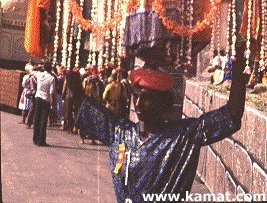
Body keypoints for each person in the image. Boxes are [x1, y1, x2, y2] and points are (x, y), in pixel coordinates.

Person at [75, 45, 246, 202]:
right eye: (136, 96)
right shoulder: (120, 132)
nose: (139, 103)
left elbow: (231, 114)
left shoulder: (183, 136)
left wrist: (238, 69)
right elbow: (82, 103)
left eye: (147, 97)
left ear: (164, 104)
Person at [33, 62, 55, 147]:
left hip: (38, 97)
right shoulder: (51, 78)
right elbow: (52, 92)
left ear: (44, 68)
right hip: (46, 99)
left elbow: (31, 70)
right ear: (51, 69)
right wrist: (52, 101)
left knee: (37, 118)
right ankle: (41, 141)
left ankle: (35, 139)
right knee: (43, 120)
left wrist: (39, 67)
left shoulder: (39, 74)